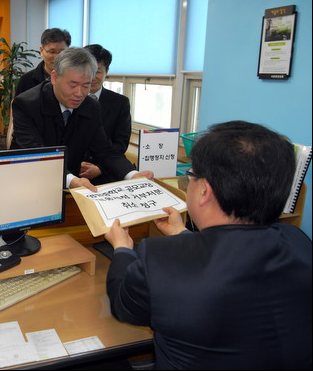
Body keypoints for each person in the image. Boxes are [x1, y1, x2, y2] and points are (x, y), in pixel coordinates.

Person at [104, 121, 312, 370]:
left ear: (204, 191)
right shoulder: (297, 241)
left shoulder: (160, 259)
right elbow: (232, 260)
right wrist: (182, 233)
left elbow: (123, 306)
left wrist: (122, 249)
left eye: (190, 176)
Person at [11, 47, 153, 191]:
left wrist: (132, 174)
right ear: (54, 77)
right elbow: (36, 152)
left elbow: (105, 150)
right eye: (72, 85)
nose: (79, 93)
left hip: (69, 183)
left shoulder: (91, 106)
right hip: (29, 179)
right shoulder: (27, 104)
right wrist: (72, 180)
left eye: (86, 85)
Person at [80, 44, 131, 185]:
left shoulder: (120, 103)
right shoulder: (71, 98)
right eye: (88, 71)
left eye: (98, 71)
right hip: (72, 172)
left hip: (106, 173)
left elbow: (121, 143)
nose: (92, 77)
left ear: (106, 71)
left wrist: (100, 168)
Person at [15, 28, 71, 96]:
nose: (57, 57)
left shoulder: (74, 78)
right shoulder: (26, 80)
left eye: (62, 52)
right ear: (41, 51)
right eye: (52, 52)